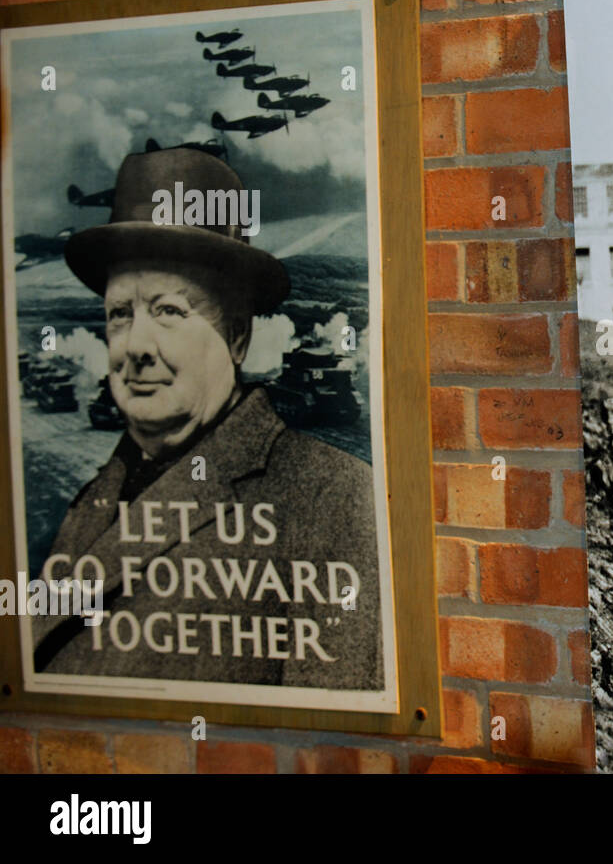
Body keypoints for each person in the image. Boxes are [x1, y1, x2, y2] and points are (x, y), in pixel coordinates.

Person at [31, 147, 384, 691]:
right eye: (120, 314)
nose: (137, 347)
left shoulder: (334, 500)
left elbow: (329, 746)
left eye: (170, 311)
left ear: (237, 337)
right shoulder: (95, 499)